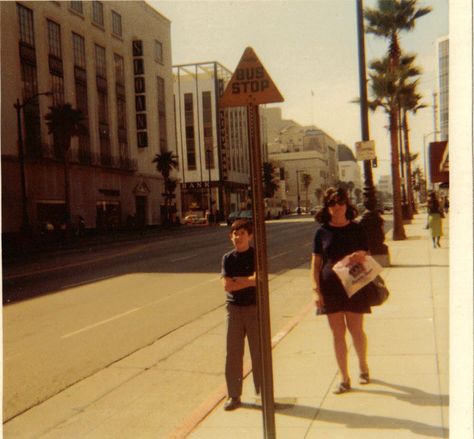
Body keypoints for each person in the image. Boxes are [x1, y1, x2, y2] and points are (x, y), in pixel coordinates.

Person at [311, 187, 371, 394]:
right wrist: (315, 290)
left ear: (347, 204)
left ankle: (363, 366)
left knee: (356, 330)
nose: (336, 207)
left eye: (340, 202)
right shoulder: (321, 232)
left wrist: (359, 254)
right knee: (338, 334)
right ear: (326, 207)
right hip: (331, 289)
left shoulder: (357, 228)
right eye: (331, 203)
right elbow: (316, 263)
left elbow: (367, 253)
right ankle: (344, 378)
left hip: (354, 284)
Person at [220, 219, 260, 410]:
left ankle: (262, 393)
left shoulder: (256, 256)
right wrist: (249, 281)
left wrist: (239, 281)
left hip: (254, 309)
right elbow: (227, 285)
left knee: (258, 353)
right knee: (233, 354)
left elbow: (259, 280)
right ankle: (234, 396)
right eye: (235, 234)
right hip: (234, 310)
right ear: (231, 237)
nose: (238, 237)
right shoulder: (228, 258)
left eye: (242, 233)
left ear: (250, 236)